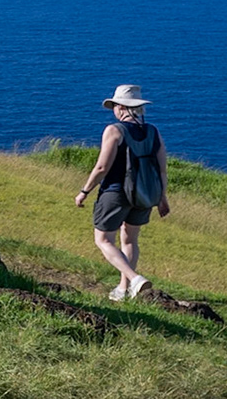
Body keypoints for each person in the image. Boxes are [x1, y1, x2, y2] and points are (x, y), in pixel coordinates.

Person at [73, 85, 172, 302]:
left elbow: (101, 167)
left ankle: (134, 279)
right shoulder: (153, 132)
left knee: (103, 239)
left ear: (120, 107)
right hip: (144, 194)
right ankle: (123, 289)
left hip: (115, 192)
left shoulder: (114, 130)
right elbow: (162, 169)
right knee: (130, 240)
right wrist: (161, 198)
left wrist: (84, 191)